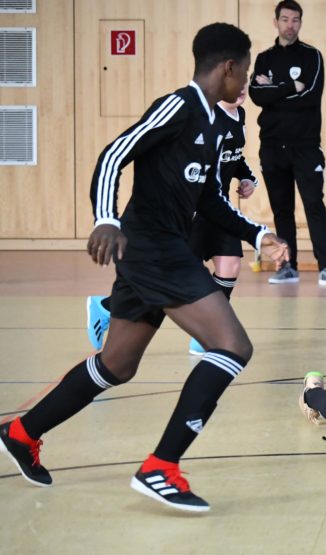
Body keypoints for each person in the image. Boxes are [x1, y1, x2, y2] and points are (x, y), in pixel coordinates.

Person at [0, 23, 290, 512]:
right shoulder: (178, 105)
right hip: (152, 247)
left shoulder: (220, 125)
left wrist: (258, 233)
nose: (248, 80)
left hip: (160, 249)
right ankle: (162, 467)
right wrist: (106, 219)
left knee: (116, 365)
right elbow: (114, 153)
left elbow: (212, 200)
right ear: (227, 67)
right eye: (245, 70)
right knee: (233, 345)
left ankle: (23, 431)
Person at [86, 86, 259, 355]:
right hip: (192, 211)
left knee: (230, 265)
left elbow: (233, 158)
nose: (240, 90)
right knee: (171, 284)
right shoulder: (204, 117)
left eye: (245, 84)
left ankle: (206, 335)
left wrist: (247, 177)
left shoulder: (240, 117)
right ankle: (107, 306)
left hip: (218, 207)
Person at [248, 0, 326, 287]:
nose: (290, 25)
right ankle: (288, 266)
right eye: (285, 19)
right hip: (273, 146)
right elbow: (255, 95)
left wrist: (273, 90)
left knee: (314, 204)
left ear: (301, 23)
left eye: (296, 20)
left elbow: (310, 96)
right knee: (282, 209)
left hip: (306, 146)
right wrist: (290, 88)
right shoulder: (264, 58)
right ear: (275, 21)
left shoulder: (312, 57)